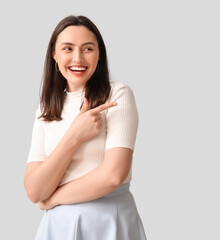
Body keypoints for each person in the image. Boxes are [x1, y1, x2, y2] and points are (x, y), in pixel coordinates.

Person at [24, 15, 147, 240]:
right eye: (68, 48)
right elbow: (34, 190)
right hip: (57, 226)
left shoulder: (117, 95)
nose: (77, 58)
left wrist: (53, 199)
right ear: (54, 54)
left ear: (99, 54)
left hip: (109, 221)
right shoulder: (47, 108)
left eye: (88, 49)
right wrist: (75, 135)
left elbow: (113, 175)